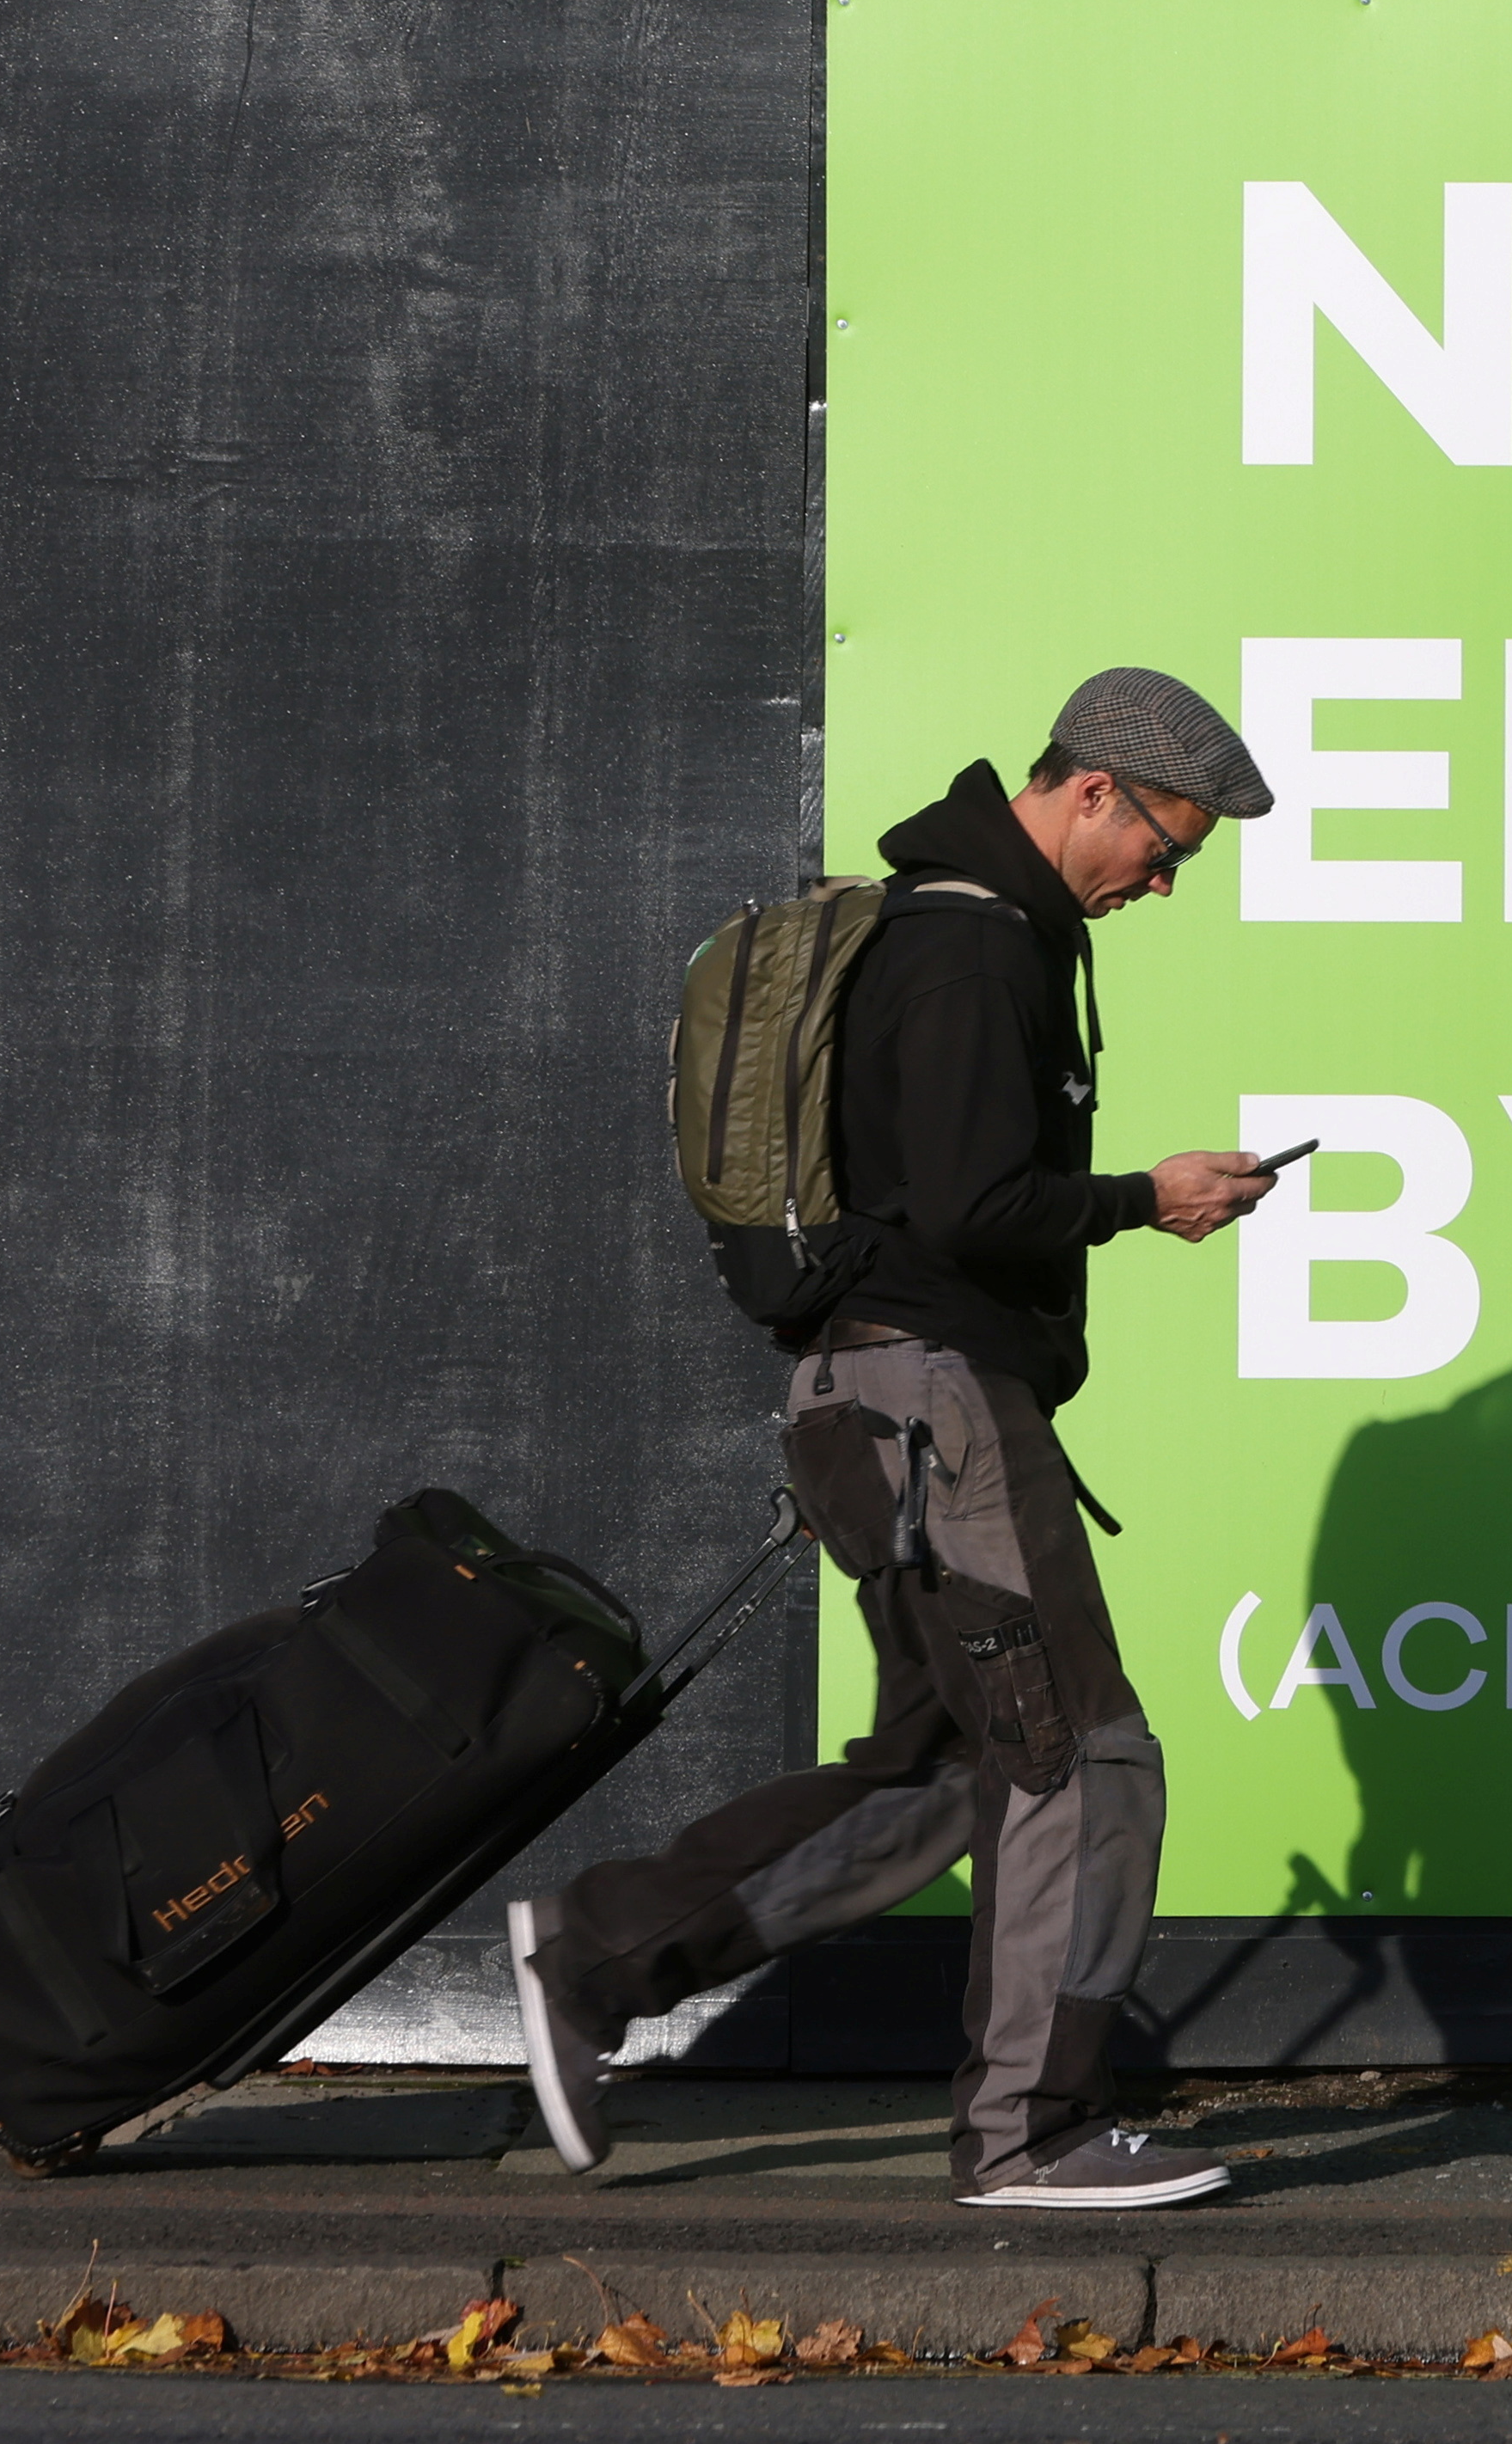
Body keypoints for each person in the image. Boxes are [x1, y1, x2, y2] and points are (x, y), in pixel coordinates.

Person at [509, 667, 1276, 2209]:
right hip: (940, 1406)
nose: (1164, 883)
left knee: (939, 1771)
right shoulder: (973, 952)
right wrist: (1150, 1198)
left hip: (875, 1406)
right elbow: (975, 1205)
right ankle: (1032, 2133)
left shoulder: (950, 932)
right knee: (1082, 1756)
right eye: (1166, 846)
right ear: (1090, 791)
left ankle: (600, 1955)